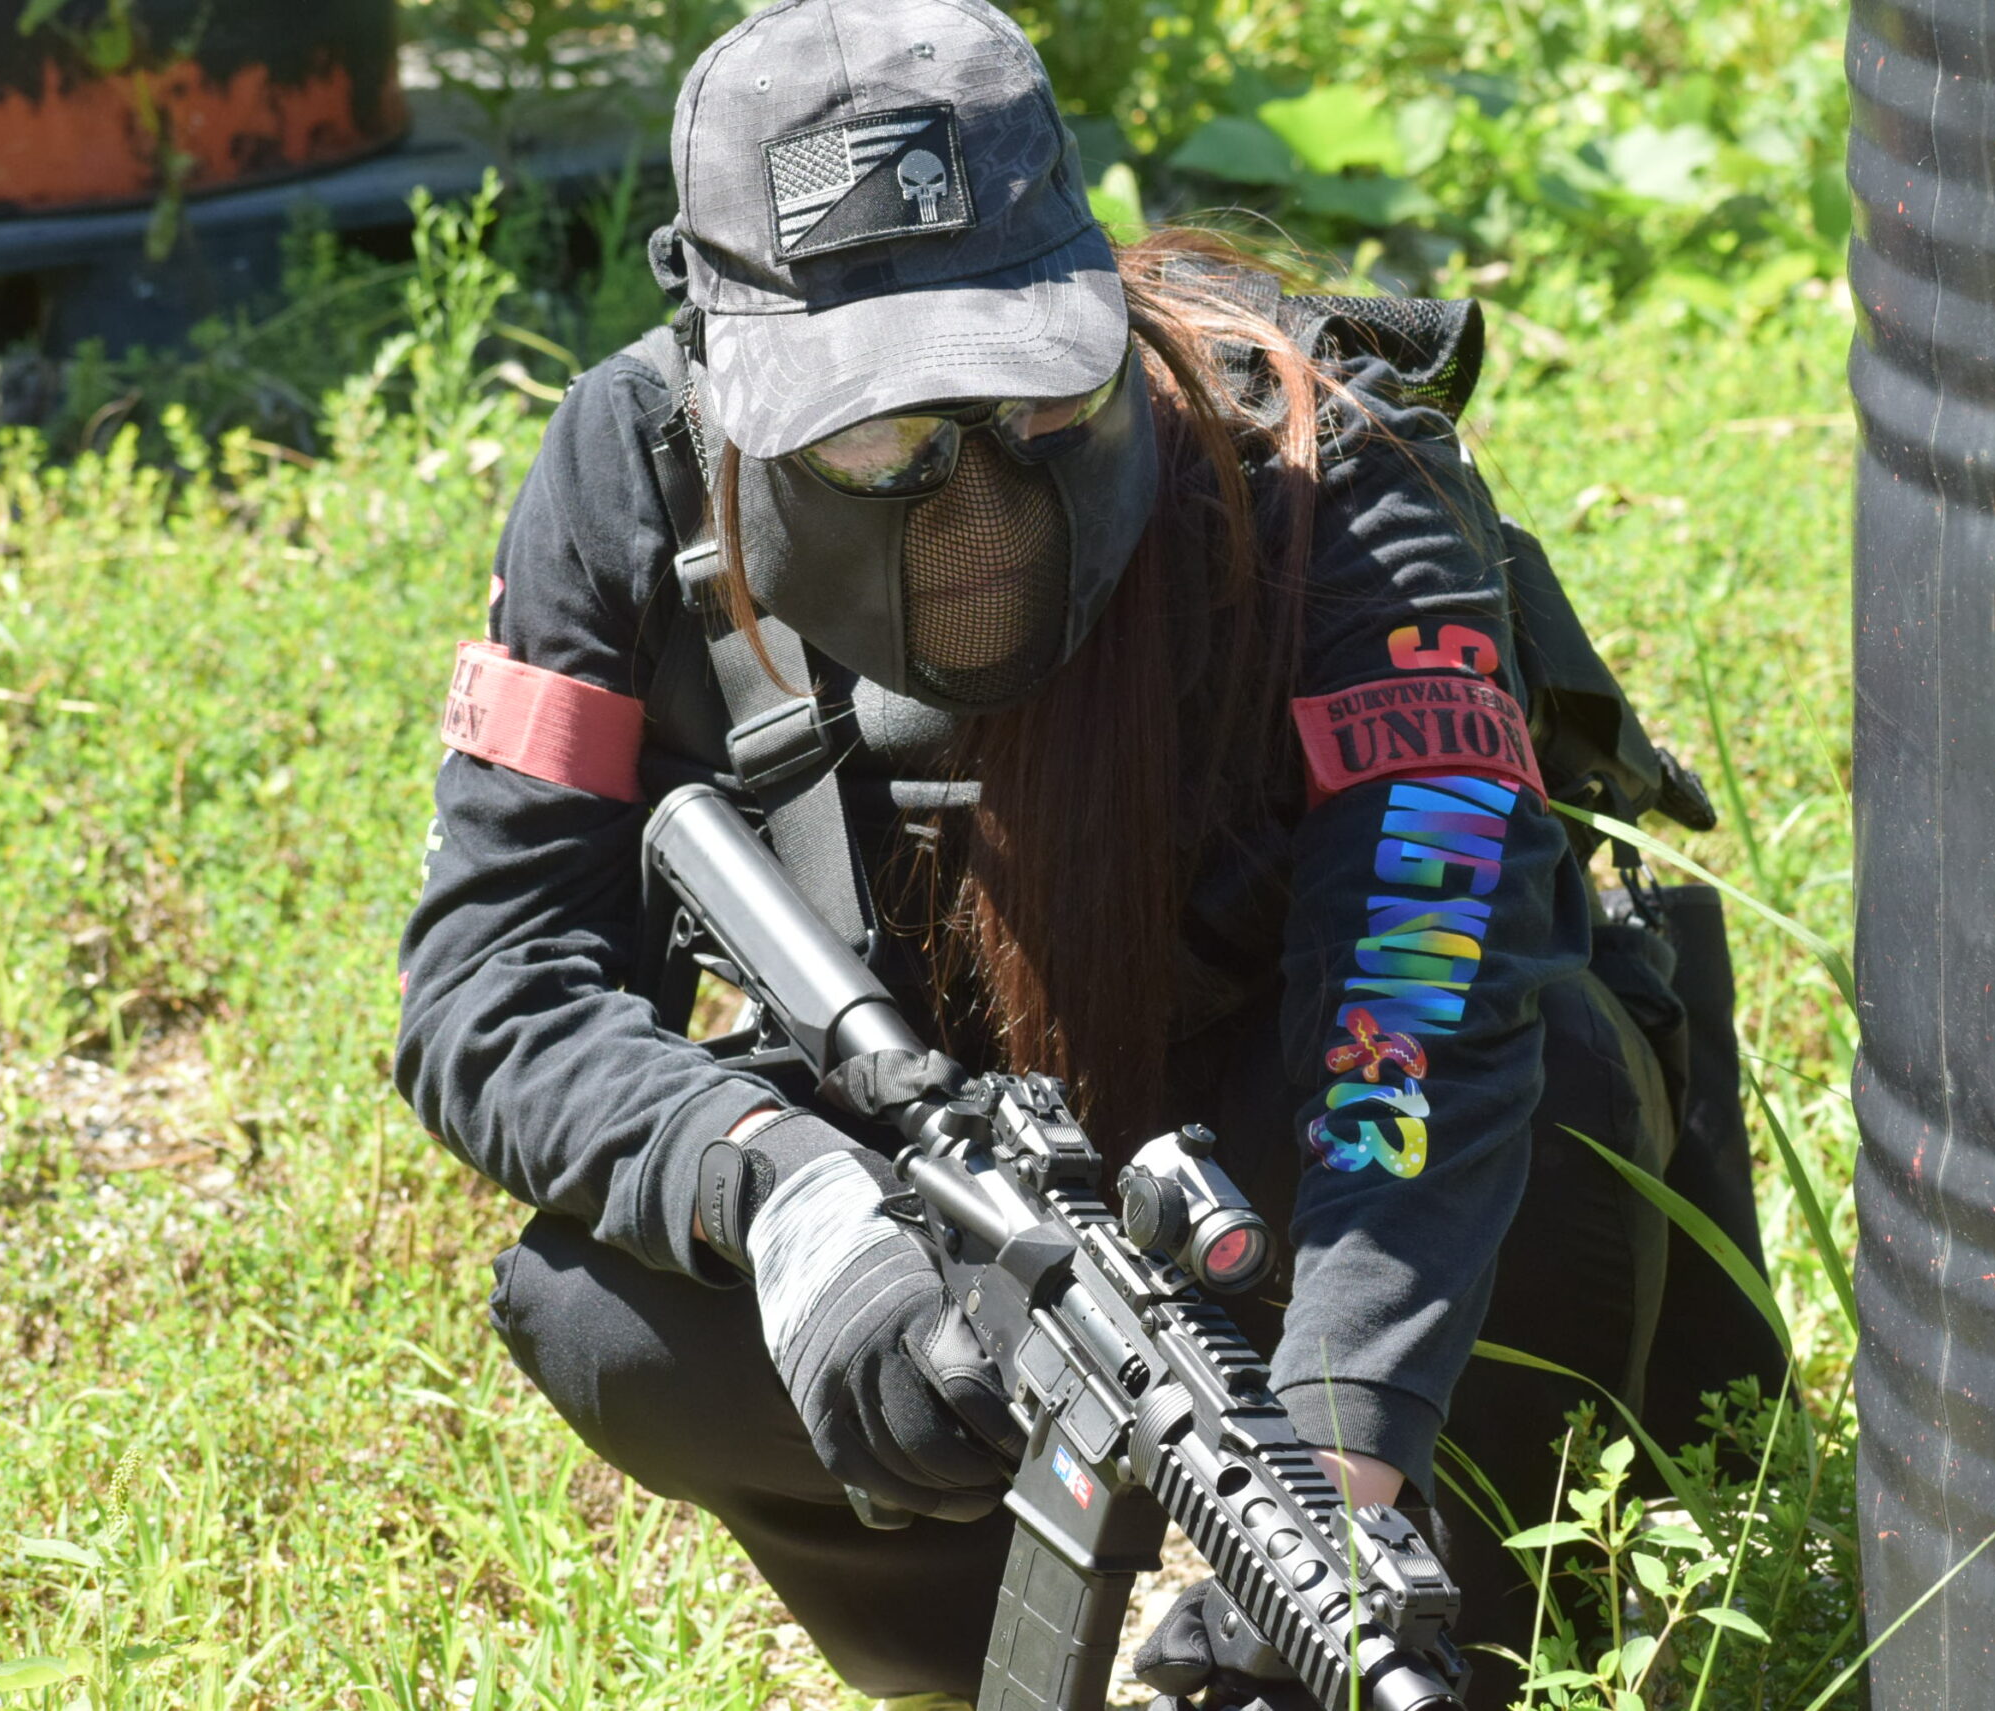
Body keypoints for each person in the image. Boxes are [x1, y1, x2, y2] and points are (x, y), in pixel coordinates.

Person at [394, 0, 1779, 1700]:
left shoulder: (1330, 463)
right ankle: (977, 1632)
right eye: (875, 442)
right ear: (729, 381)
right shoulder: (631, 472)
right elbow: (497, 983)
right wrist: (782, 1190)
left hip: (1311, 1145)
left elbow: (1422, 988)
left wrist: (1340, 1472)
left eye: (1034, 398)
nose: (975, 495)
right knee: (602, 1310)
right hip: (934, 1194)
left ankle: (1450, 1594)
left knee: (1550, 1113)